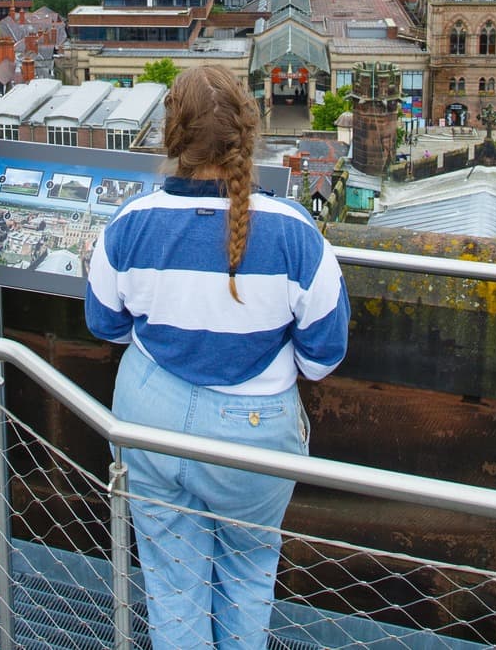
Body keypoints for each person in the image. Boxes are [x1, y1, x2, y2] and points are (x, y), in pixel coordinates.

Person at [84, 67, 350, 650]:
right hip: (253, 431)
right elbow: (324, 356)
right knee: (249, 576)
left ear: (171, 136)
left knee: (173, 585)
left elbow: (105, 324)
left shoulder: (128, 222)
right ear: (247, 133)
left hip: (148, 417)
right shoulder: (296, 232)